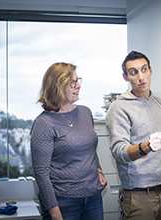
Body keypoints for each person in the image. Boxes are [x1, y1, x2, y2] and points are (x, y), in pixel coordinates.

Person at [31, 62, 107, 220]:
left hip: (93, 198)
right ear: (58, 86)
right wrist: (53, 211)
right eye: (73, 82)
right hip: (64, 202)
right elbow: (41, 174)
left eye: (78, 80)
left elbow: (90, 148)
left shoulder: (85, 112)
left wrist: (98, 170)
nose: (78, 85)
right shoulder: (44, 123)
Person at [105, 51, 161, 220]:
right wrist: (147, 146)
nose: (141, 77)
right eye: (134, 72)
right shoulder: (119, 107)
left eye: (144, 70)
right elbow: (119, 152)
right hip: (137, 196)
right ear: (125, 77)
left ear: (150, 70)